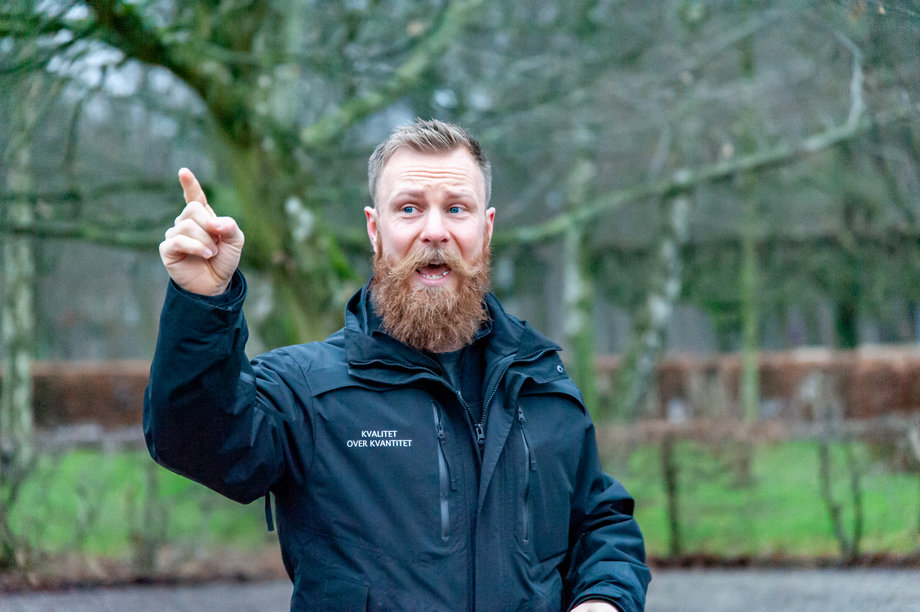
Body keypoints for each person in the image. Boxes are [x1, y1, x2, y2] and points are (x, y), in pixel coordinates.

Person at [144, 119, 650, 611]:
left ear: (486, 228)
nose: (435, 231)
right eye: (409, 209)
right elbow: (194, 439)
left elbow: (599, 524)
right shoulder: (306, 391)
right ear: (375, 229)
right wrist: (202, 302)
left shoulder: (539, 383)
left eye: (456, 209)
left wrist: (604, 598)